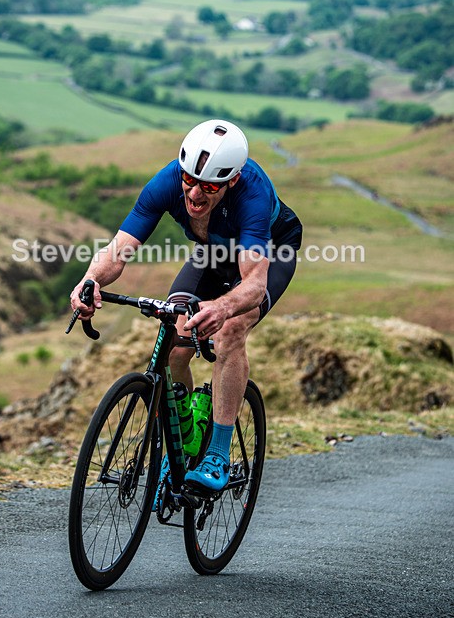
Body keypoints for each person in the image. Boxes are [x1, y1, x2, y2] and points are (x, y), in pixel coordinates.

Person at [70, 119, 302, 495]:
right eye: (189, 180)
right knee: (175, 334)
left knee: (230, 330)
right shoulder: (166, 182)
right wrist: (91, 280)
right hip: (213, 250)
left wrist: (222, 308)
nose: (194, 193)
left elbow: (254, 285)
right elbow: (118, 249)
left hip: (270, 253)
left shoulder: (252, 196)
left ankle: (217, 454)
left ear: (232, 181)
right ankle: (185, 438)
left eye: (208, 186)